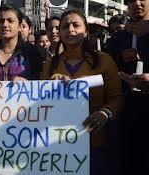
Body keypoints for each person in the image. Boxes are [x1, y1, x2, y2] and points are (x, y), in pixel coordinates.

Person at [42, 9, 123, 175]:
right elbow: (39, 104)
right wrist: (49, 88)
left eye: (76, 25)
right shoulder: (49, 64)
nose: (70, 29)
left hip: (95, 144)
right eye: (65, 26)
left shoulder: (104, 61)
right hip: (57, 145)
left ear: (85, 32)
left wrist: (105, 113)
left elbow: (117, 98)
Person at [107, 0, 149, 174]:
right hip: (126, 115)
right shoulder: (118, 38)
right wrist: (120, 57)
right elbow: (106, 70)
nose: (137, 3)